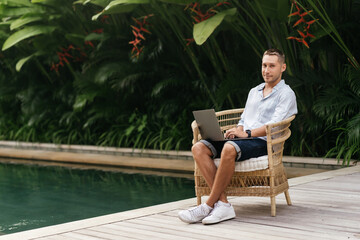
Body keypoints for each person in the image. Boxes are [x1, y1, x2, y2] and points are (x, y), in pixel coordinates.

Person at [178, 48, 298, 225]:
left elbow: (273, 126)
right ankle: (223, 204)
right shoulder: (254, 91)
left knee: (229, 148)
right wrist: (236, 130)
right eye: (264, 65)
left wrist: (246, 133)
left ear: (283, 67)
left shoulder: (286, 94)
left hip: (263, 142)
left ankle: (208, 205)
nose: (266, 70)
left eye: (272, 66)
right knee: (198, 148)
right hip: (242, 139)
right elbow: (244, 118)